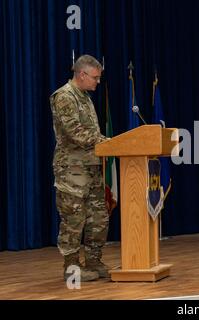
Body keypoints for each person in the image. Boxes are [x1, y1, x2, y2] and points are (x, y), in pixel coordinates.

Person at [50, 55, 110, 281]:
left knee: (98, 217)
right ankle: (71, 268)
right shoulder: (64, 96)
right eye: (95, 77)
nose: (97, 82)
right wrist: (106, 143)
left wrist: (105, 144)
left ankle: (94, 261)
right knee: (74, 220)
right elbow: (74, 132)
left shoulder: (85, 97)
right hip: (72, 170)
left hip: (91, 167)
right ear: (82, 74)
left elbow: (91, 134)